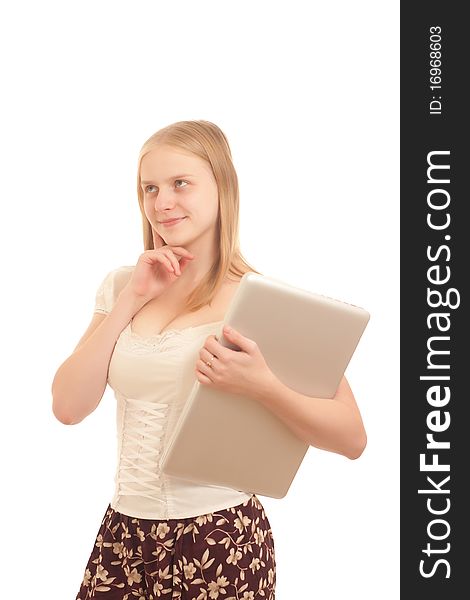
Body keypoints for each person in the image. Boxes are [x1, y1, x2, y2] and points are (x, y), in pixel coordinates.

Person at [51, 119, 367, 600]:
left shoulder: (260, 303)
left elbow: (352, 437)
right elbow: (68, 407)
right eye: (150, 188)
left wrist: (262, 385)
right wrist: (131, 300)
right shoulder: (122, 285)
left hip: (221, 540)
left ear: (222, 188)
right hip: (124, 535)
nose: (162, 202)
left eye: (181, 183)